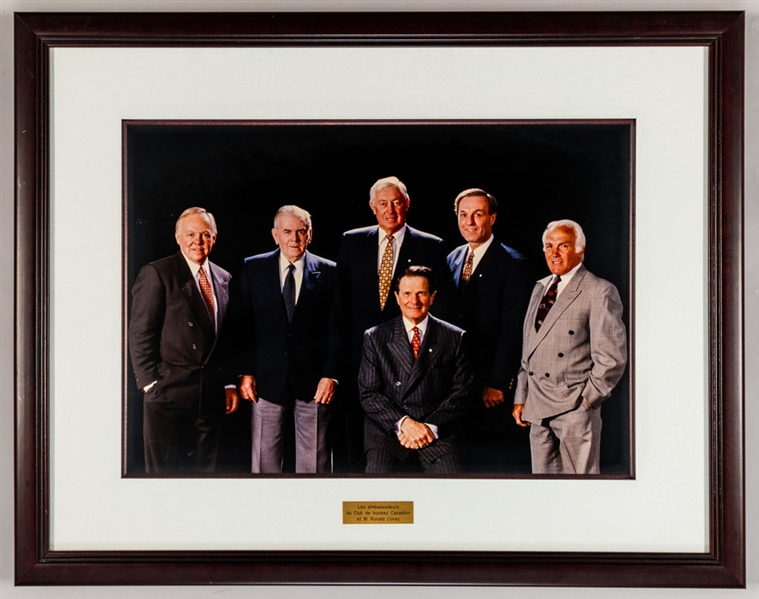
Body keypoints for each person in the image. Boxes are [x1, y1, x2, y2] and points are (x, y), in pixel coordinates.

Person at [333, 176, 449, 472]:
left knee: (401, 450)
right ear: (372, 207)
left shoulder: (430, 245)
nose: (390, 209)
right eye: (383, 203)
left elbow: (438, 310)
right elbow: (339, 309)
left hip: (409, 361)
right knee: (355, 447)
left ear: (407, 205)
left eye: (396, 202)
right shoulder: (352, 241)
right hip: (359, 359)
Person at [128, 207, 239, 473]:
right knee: (164, 480)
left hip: (210, 398)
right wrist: (149, 385)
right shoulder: (158, 273)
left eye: (204, 235)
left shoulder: (224, 278)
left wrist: (227, 383)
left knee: (206, 480)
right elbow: (140, 333)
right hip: (167, 396)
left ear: (214, 238)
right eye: (190, 234)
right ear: (178, 237)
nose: (197, 242)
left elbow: (227, 339)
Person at [512, 219, 627, 474]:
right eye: (549, 246)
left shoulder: (599, 290)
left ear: (580, 250)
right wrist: (522, 397)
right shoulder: (540, 287)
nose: (554, 253)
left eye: (563, 246)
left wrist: (586, 402)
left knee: (581, 491)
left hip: (575, 408)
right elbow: (528, 349)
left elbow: (612, 358)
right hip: (537, 407)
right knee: (545, 493)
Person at [237, 205, 338, 473]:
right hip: (266, 383)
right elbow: (244, 325)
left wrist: (331, 375)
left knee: (315, 467)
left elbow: (336, 329)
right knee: (264, 465)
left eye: (301, 231)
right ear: (275, 235)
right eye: (287, 231)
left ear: (310, 234)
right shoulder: (253, 268)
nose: (294, 238)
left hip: (314, 384)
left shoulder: (330, 272)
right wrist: (245, 372)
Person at [446, 188, 532, 473]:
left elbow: (513, 329)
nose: (469, 222)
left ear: (492, 218)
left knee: (488, 461)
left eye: (478, 214)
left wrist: (498, 381)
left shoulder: (512, 263)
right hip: (455, 379)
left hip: (489, 383)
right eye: (463, 215)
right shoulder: (452, 259)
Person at [358, 266, 473, 474]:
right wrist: (404, 424)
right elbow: (369, 394)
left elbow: (462, 394)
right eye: (407, 293)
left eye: (421, 293)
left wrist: (429, 427)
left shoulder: (455, 337)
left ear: (432, 297)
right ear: (397, 297)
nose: (414, 300)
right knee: (377, 488)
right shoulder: (375, 337)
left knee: (452, 488)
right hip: (389, 430)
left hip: (436, 429)